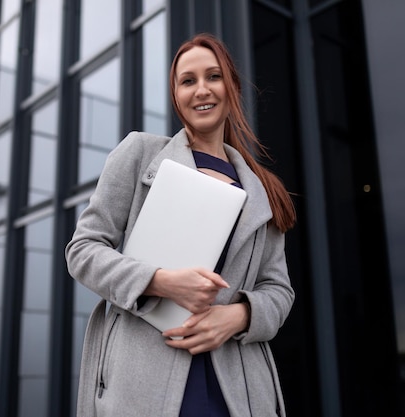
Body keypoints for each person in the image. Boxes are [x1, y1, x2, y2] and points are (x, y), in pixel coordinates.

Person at [65, 32, 296, 417]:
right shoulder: (139, 154)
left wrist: (239, 315)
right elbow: (83, 250)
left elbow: (279, 290)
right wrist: (160, 281)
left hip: (238, 388)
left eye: (213, 77)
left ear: (232, 87)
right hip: (144, 383)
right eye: (188, 81)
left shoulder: (263, 190)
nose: (201, 90)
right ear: (176, 95)